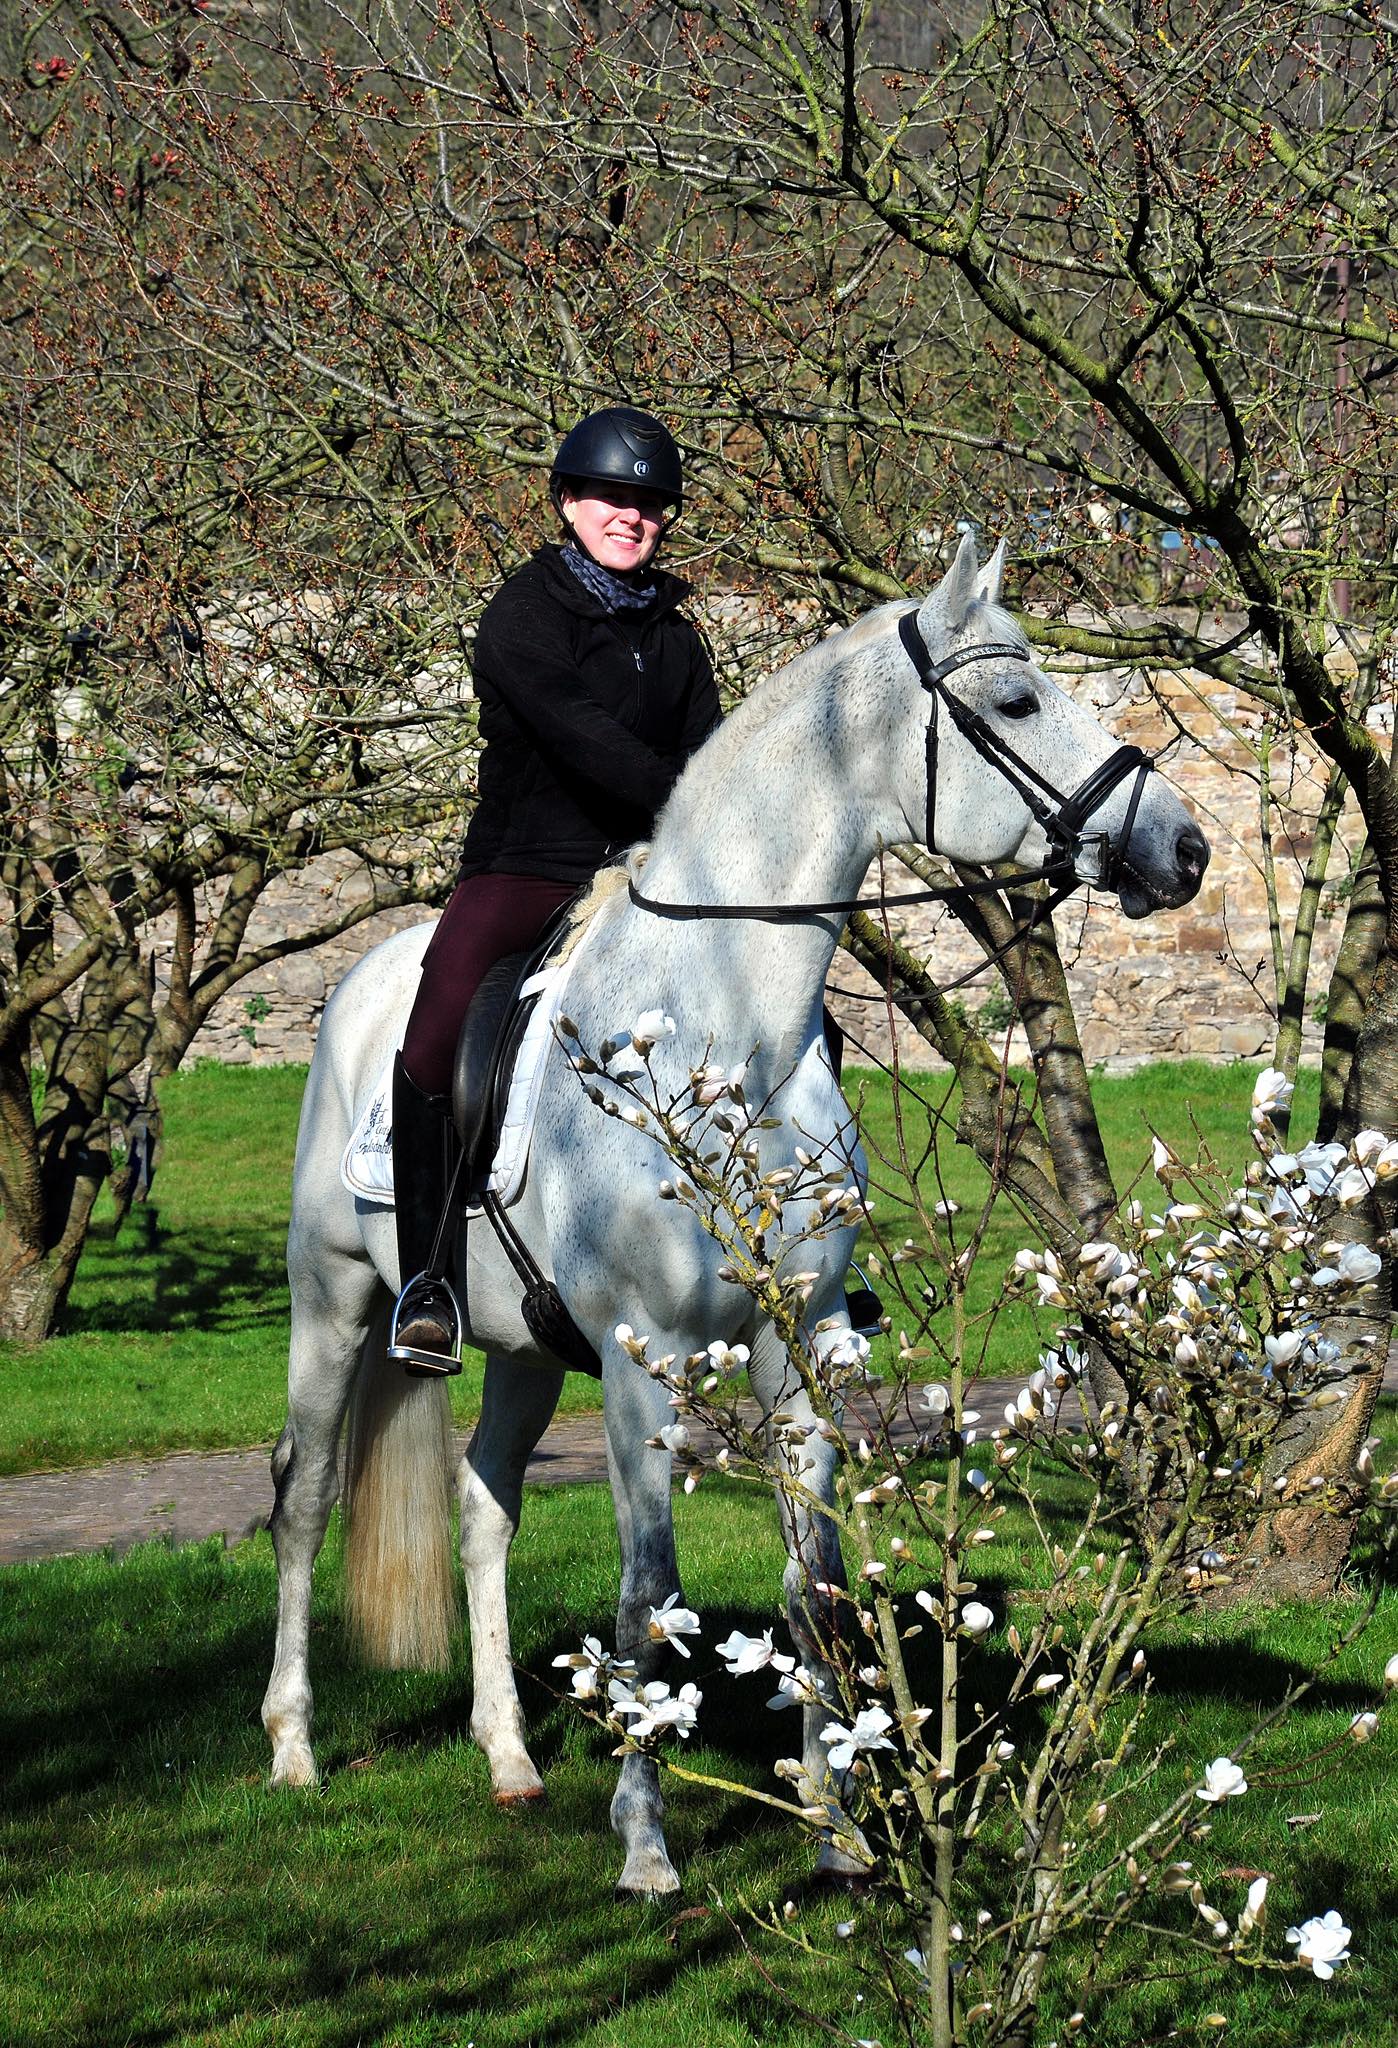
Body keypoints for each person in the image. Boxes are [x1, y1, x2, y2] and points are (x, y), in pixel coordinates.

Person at [390, 405, 721, 1371]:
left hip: (648, 875)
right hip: (527, 869)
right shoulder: (523, 615)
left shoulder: (676, 636)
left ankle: (803, 1245)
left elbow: (710, 747)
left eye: (651, 504)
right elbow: (583, 737)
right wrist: (692, 803)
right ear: (568, 500)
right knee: (434, 1033)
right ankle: (430, 1281)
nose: (634, 517)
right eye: (614, 497)